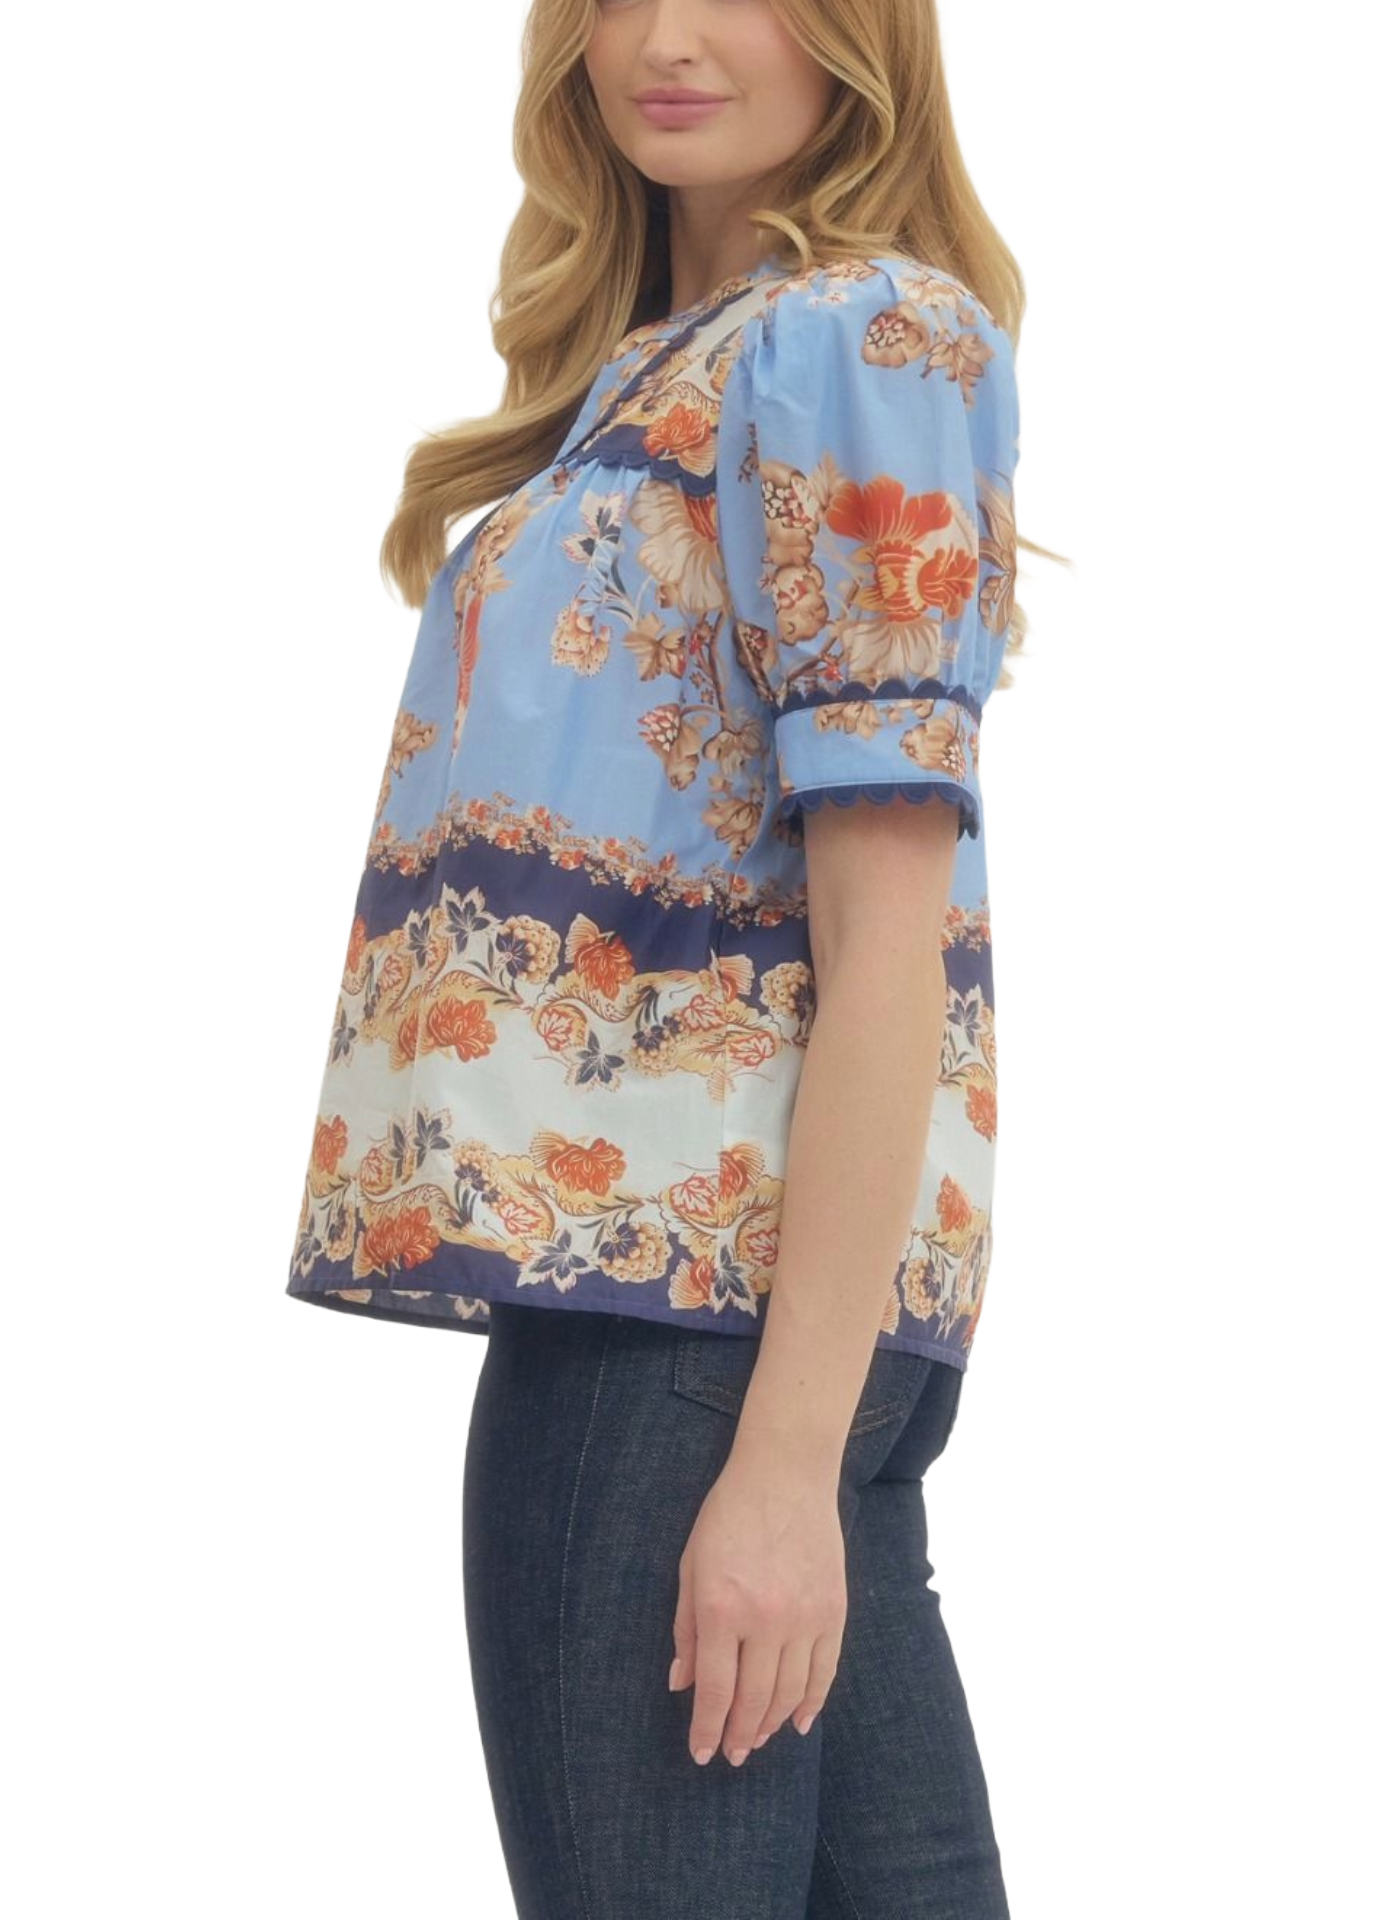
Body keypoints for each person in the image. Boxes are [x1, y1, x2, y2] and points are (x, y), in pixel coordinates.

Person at [287, 2, 1048, 1913]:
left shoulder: (857, 335)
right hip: (732, 1329)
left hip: (688, 1334)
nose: (666, 38)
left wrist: (782, 1458)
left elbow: (889, 931)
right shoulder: (668, 367)